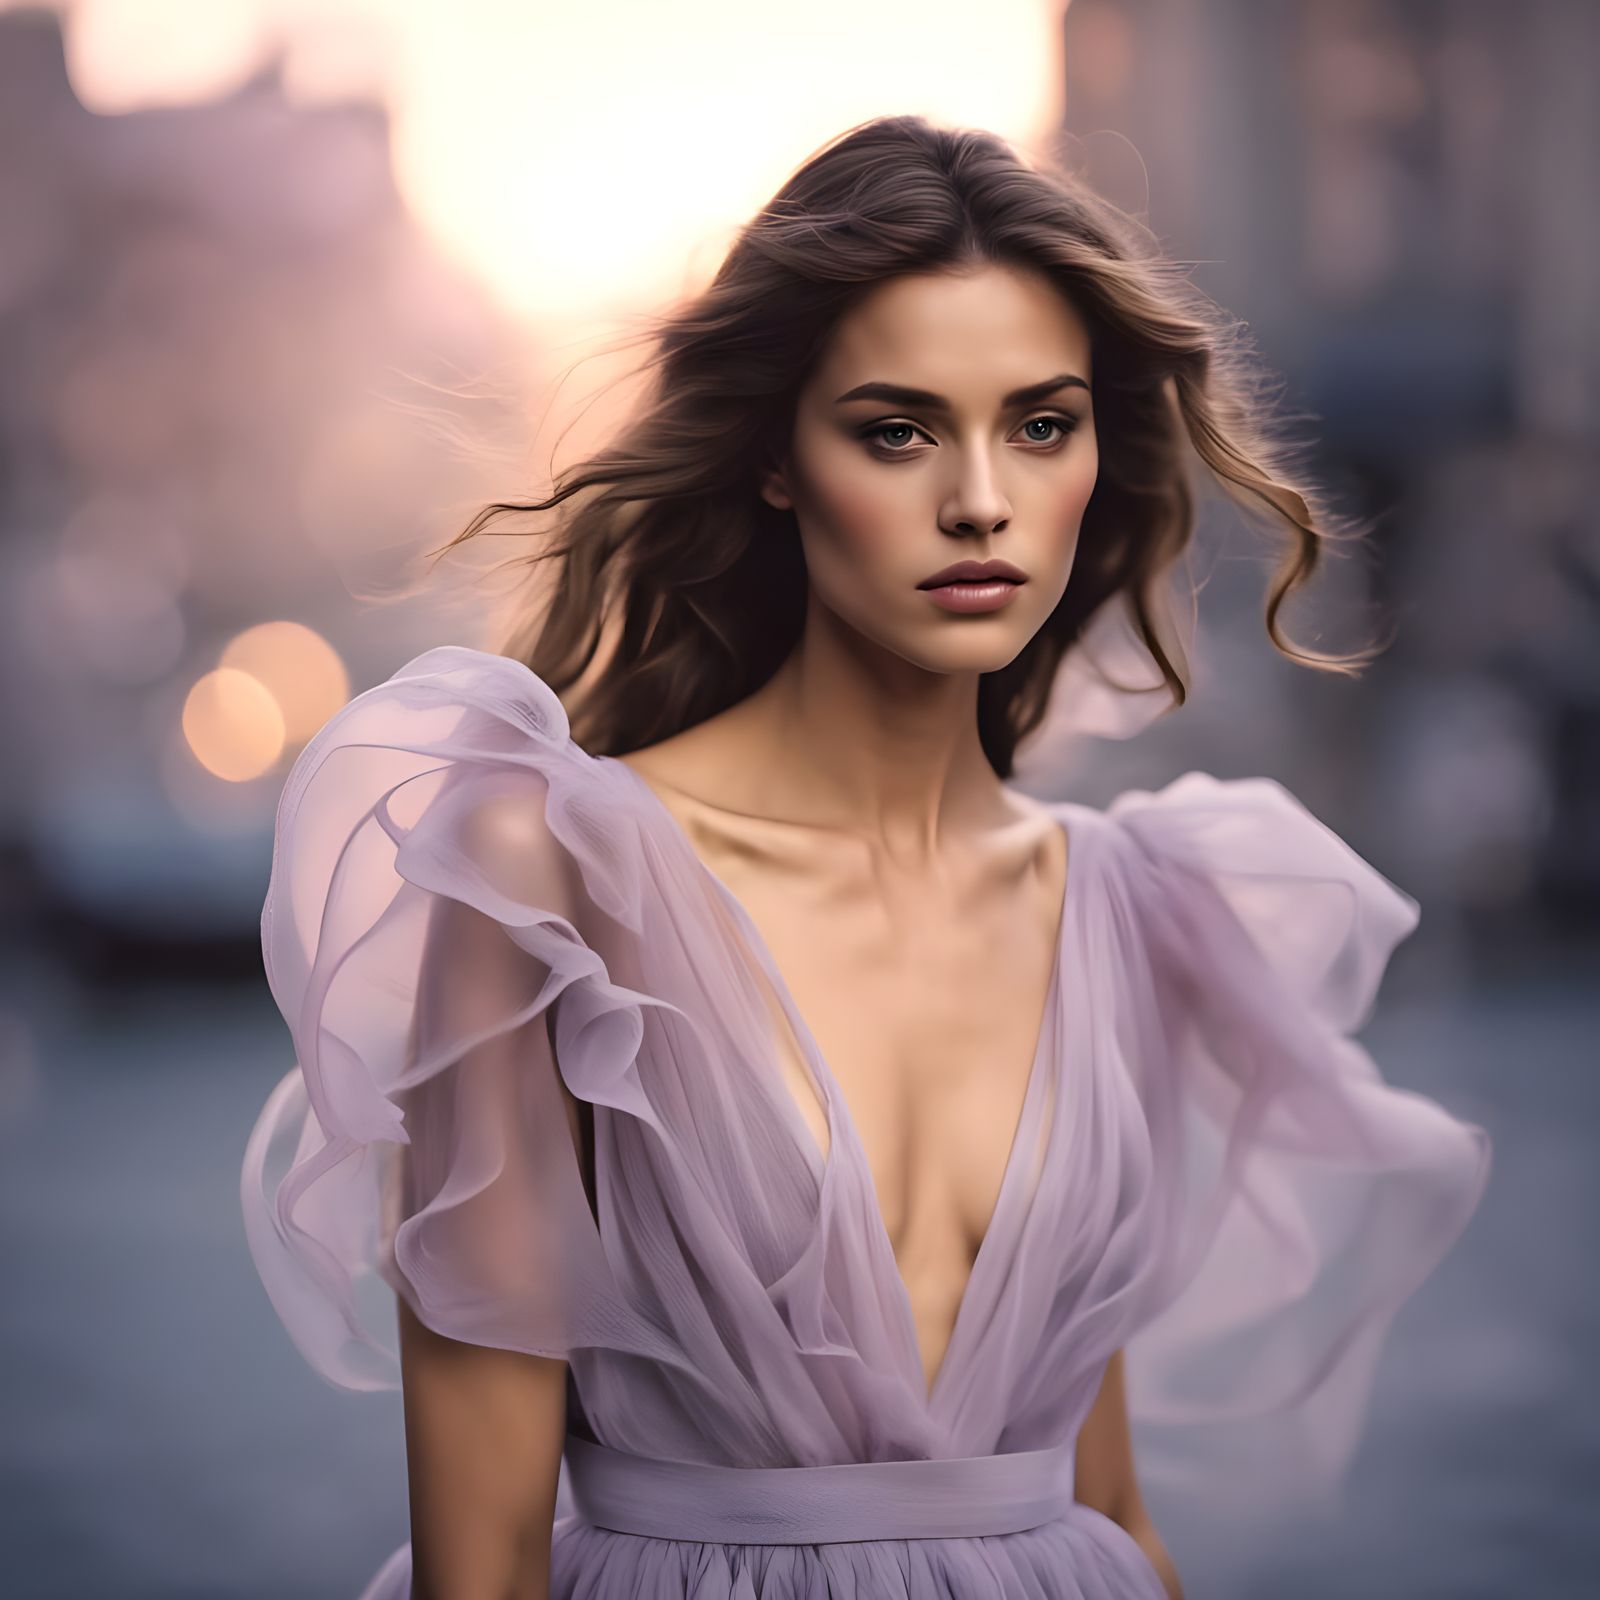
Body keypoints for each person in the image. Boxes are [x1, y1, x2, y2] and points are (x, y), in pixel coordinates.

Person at [241, 115, 1491, 1600]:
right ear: (775, 460)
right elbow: (483, 1562)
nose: (981, 499)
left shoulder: (1131, 907)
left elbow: (1103, 1509)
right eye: (898, 430)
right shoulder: (553, 876)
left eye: (1041, 424)